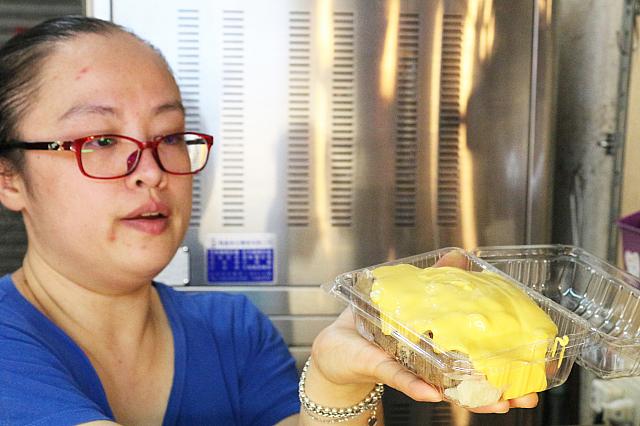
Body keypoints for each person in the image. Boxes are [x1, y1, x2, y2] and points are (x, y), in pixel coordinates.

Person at [0, 15, 538, 425]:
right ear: (9, 178)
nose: (152, 172)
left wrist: (336, 381)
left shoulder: (232, 329)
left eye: (170, 136)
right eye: (99, 140)